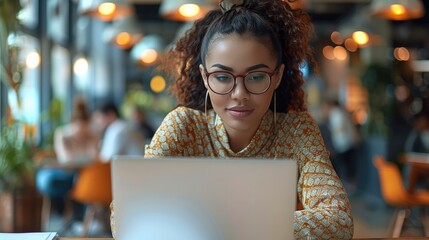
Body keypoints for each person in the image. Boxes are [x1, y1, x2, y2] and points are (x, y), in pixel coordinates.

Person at [111, 0, 353, 239]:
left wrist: (220, 224)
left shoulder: (296, 130)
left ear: (277, 76)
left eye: (256, 77)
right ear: (205, 77)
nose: (239, 94)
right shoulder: (183, 127)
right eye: (223, 77)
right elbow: (126, 216)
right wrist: (259, 225)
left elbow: (339, 220)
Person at [36, 97, 99, 222]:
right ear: (73, 122)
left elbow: (95, 158)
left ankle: (77, 218)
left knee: (84, 179)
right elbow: (66, 160)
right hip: (65, 172)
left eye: (84, 125)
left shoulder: (92, 135)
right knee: (49, 180)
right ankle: (70, 215)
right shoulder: (63, 134)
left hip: (82, 174)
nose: (81, 130)